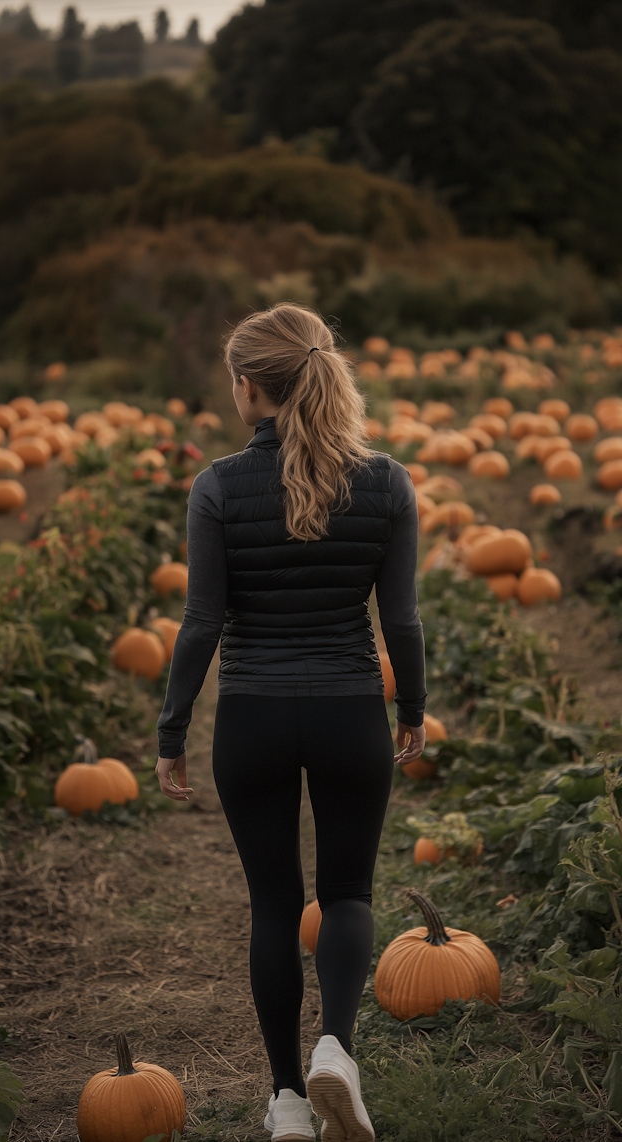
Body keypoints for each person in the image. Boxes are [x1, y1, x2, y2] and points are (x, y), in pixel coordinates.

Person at [155, 303, 427, 1142]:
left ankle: (284, 1103)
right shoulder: (384, 482)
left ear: (249, 387)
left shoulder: (217, 486)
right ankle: (335, 1049)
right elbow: (403, 623)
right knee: (347, 894)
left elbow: (201, 623)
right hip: (351, 711)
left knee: (274, 904)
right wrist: (411, 707)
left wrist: (171, 730)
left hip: (253, 719)